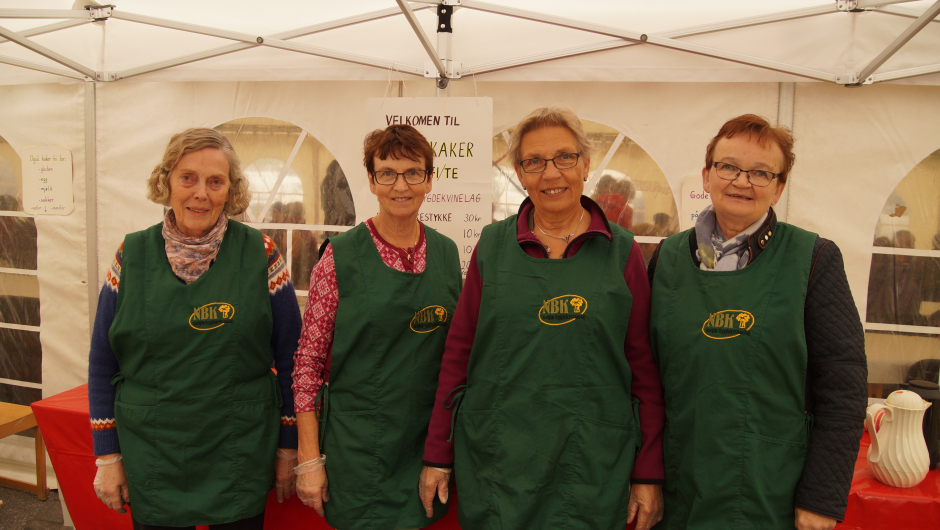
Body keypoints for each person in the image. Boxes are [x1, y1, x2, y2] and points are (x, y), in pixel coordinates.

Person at [421, 105, 666, 530]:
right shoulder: (493, 246)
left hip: (589, 465)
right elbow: (458, 353)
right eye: (534, 162)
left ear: (586, 164)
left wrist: (647, 472)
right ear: (519, 172)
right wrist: (438, 454)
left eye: (564, 158)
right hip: (500, 464)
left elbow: (644, 370)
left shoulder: (622, 252)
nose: (551, 173)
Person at [647, 115, 868, 530]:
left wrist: (822, 497)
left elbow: (844, 385)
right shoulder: (667, 259)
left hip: (771, 492)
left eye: (760, 173)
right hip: (681, 487)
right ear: (707, 175)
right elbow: (643, 375)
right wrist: (644, 475)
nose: (741, 181)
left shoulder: (814, 260)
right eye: (728, 166)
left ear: (779, 187)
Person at [87, 128, 302, 529]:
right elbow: (102, 362)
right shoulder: (130, 256)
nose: (200, 192)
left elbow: (293, 359)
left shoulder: (262, 254)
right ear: (166, 180)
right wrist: (107, 456)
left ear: (230, 190)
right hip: (153, 453)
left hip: (238, 449)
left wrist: (290, 446)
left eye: (215, 181)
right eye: (188, 177)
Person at [292, 124, 461, 530]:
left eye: (412, 172)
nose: (399, 185)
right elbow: (307, 366)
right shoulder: (339, 258)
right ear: (370, 180)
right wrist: (308, 459)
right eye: (387, 173)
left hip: (425, 447)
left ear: (429, 180)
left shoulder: (446, 252)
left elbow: (456, 357)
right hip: (357, 451)